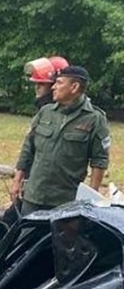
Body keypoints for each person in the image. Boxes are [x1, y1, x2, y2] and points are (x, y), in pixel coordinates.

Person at [11, 66, 110, 216]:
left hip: (65, 201)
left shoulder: (95, 119)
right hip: (34, 195)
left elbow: (99, 161)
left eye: (59, 83)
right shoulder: (45, 112)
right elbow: (28, 148)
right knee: (27, 231)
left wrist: (90, 199)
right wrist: (17, 181)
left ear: (74, 87)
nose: (53, 87)